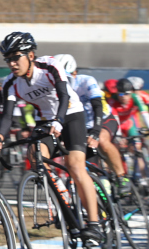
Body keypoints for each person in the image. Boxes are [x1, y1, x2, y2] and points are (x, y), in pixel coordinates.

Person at [0, 32, 103, 246]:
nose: (12, 63)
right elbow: (6, 116)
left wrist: (59, 121)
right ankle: (64, 202)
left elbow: (64, 95)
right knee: (36, 157)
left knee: (75, 166)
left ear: (31, 55)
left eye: (16, 57)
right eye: (8, 59)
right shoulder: (11, 83)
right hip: (45, 121)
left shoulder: (50, 66)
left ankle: (94, 224)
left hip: (70, 115)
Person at [54, 54, 131, 194]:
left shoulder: (87, 81)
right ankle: (104, 204)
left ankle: (122, 177)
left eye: (66, 78)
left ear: (75, 73)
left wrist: (96, 132)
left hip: (103, 119)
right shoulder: (55, 88)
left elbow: (98, 107)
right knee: (86, 167)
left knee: (102, 140)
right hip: (81, 127)